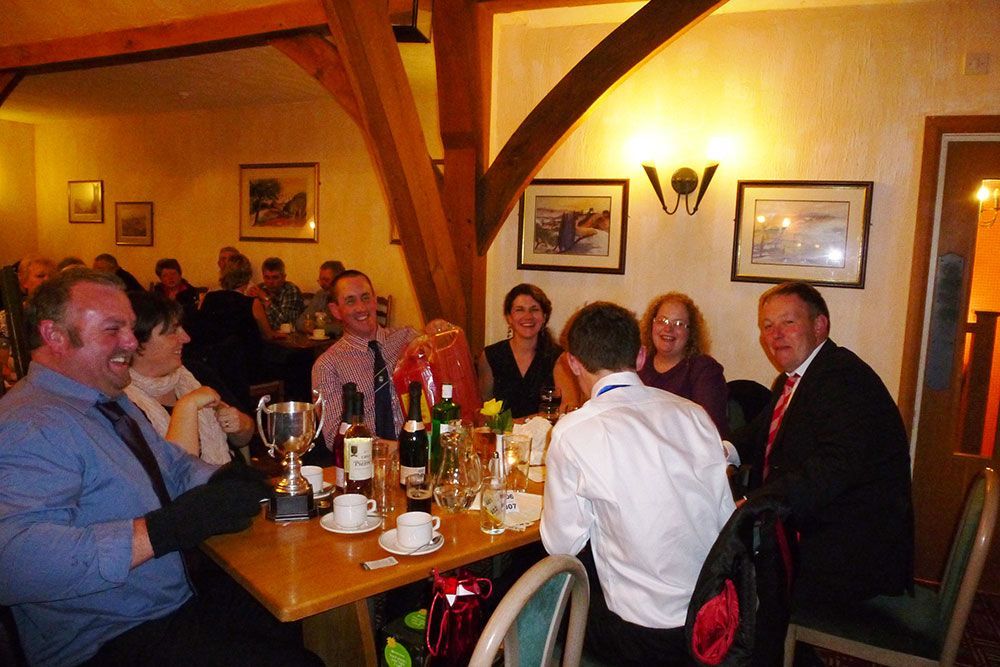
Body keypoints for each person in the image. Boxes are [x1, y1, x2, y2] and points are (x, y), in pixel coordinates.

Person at [0, 268, 319, 666]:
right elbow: (13, 563)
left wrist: (222, 479)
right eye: (113, 330)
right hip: (108, 638)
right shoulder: (30, 424)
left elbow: (171, 464)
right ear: (55, 336)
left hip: (173, 598)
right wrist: (160, 531)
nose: (131, 342)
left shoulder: (106, 400)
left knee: (296, 610)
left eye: (131, 328)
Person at [540, 301, 735, 666]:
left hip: (643, 630)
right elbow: (725, 515)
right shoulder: (693, 414)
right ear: (642, 356)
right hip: (714, 611)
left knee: (532, 587)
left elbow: (561, 545)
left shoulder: (573, 431)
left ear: (574, 363)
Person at [731, 281, 914, 606]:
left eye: (788, 322)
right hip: (823, 529)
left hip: (851, 553)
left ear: (819, 326)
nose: (775, 335)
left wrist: (752, 502)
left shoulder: (844, 379)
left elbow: (832, 469)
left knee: (728, 572)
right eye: (767, 326)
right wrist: (718, 450)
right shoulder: (795, 379)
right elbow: (758, 433)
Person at [312, 269, 446, 443]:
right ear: (336, 310)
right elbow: (335, 436)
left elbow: (445, 367)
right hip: (365, 457)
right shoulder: (327, 365)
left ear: (375, 300)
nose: (361, 307)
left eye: (366, 298)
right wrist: (395, 449)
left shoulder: (407, 338)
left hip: (421, 450)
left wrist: (439, 334)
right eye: (350, 301)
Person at [125, 291, 254, 464]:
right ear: (137, 341)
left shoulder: (195, 373)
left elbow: (245, 437)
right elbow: (175, 470)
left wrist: (240, 426)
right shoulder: (123, 402)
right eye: (173, 331)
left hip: (229, 475)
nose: (186, 338)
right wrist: (188, 406)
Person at [477, 283, 578, 418]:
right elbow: (483, 407)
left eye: (534, 309)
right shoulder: (491, 356)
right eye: (519, 310)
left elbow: (568, 408)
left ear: (544, 317)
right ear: (509, 317)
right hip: (501, 432)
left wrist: (519, 423)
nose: (528, 316)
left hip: (548, 432)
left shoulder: (559, 357)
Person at [638, 292, 729, 436]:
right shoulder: (638, 364)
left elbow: (709, 430)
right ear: (652, 324)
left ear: (691, 332)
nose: (668, 329)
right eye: (662, 320)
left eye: (678, 324)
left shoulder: (705, 370)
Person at [185, 253, 263, 412]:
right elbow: (266, 334)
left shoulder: (209, 298)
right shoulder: (251, 303)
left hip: (212, 364)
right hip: (244, 367)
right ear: (247, 277)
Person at [247, 257, 304, 331]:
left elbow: (285, 324)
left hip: (285, 336)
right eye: (267, 277)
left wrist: (266, 299)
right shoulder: (260, 288)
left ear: (284, 277)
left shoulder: (291, 290)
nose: (270, 282)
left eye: (275, 277)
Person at [295, 259, 345, 337]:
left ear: (339, 280)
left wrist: (317, 327)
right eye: (321, 280)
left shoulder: (349, 297)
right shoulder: (321, 294)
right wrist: (307, 325)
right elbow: (300, 322)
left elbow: (344, 328)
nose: (322, 284)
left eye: (326, 280)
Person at [151, 258, 201, 324]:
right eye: (165, 275)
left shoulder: (191, 293)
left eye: (173, 273)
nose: (170, 278)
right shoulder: (157, 294)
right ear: (160, 279)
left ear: (180, 274)